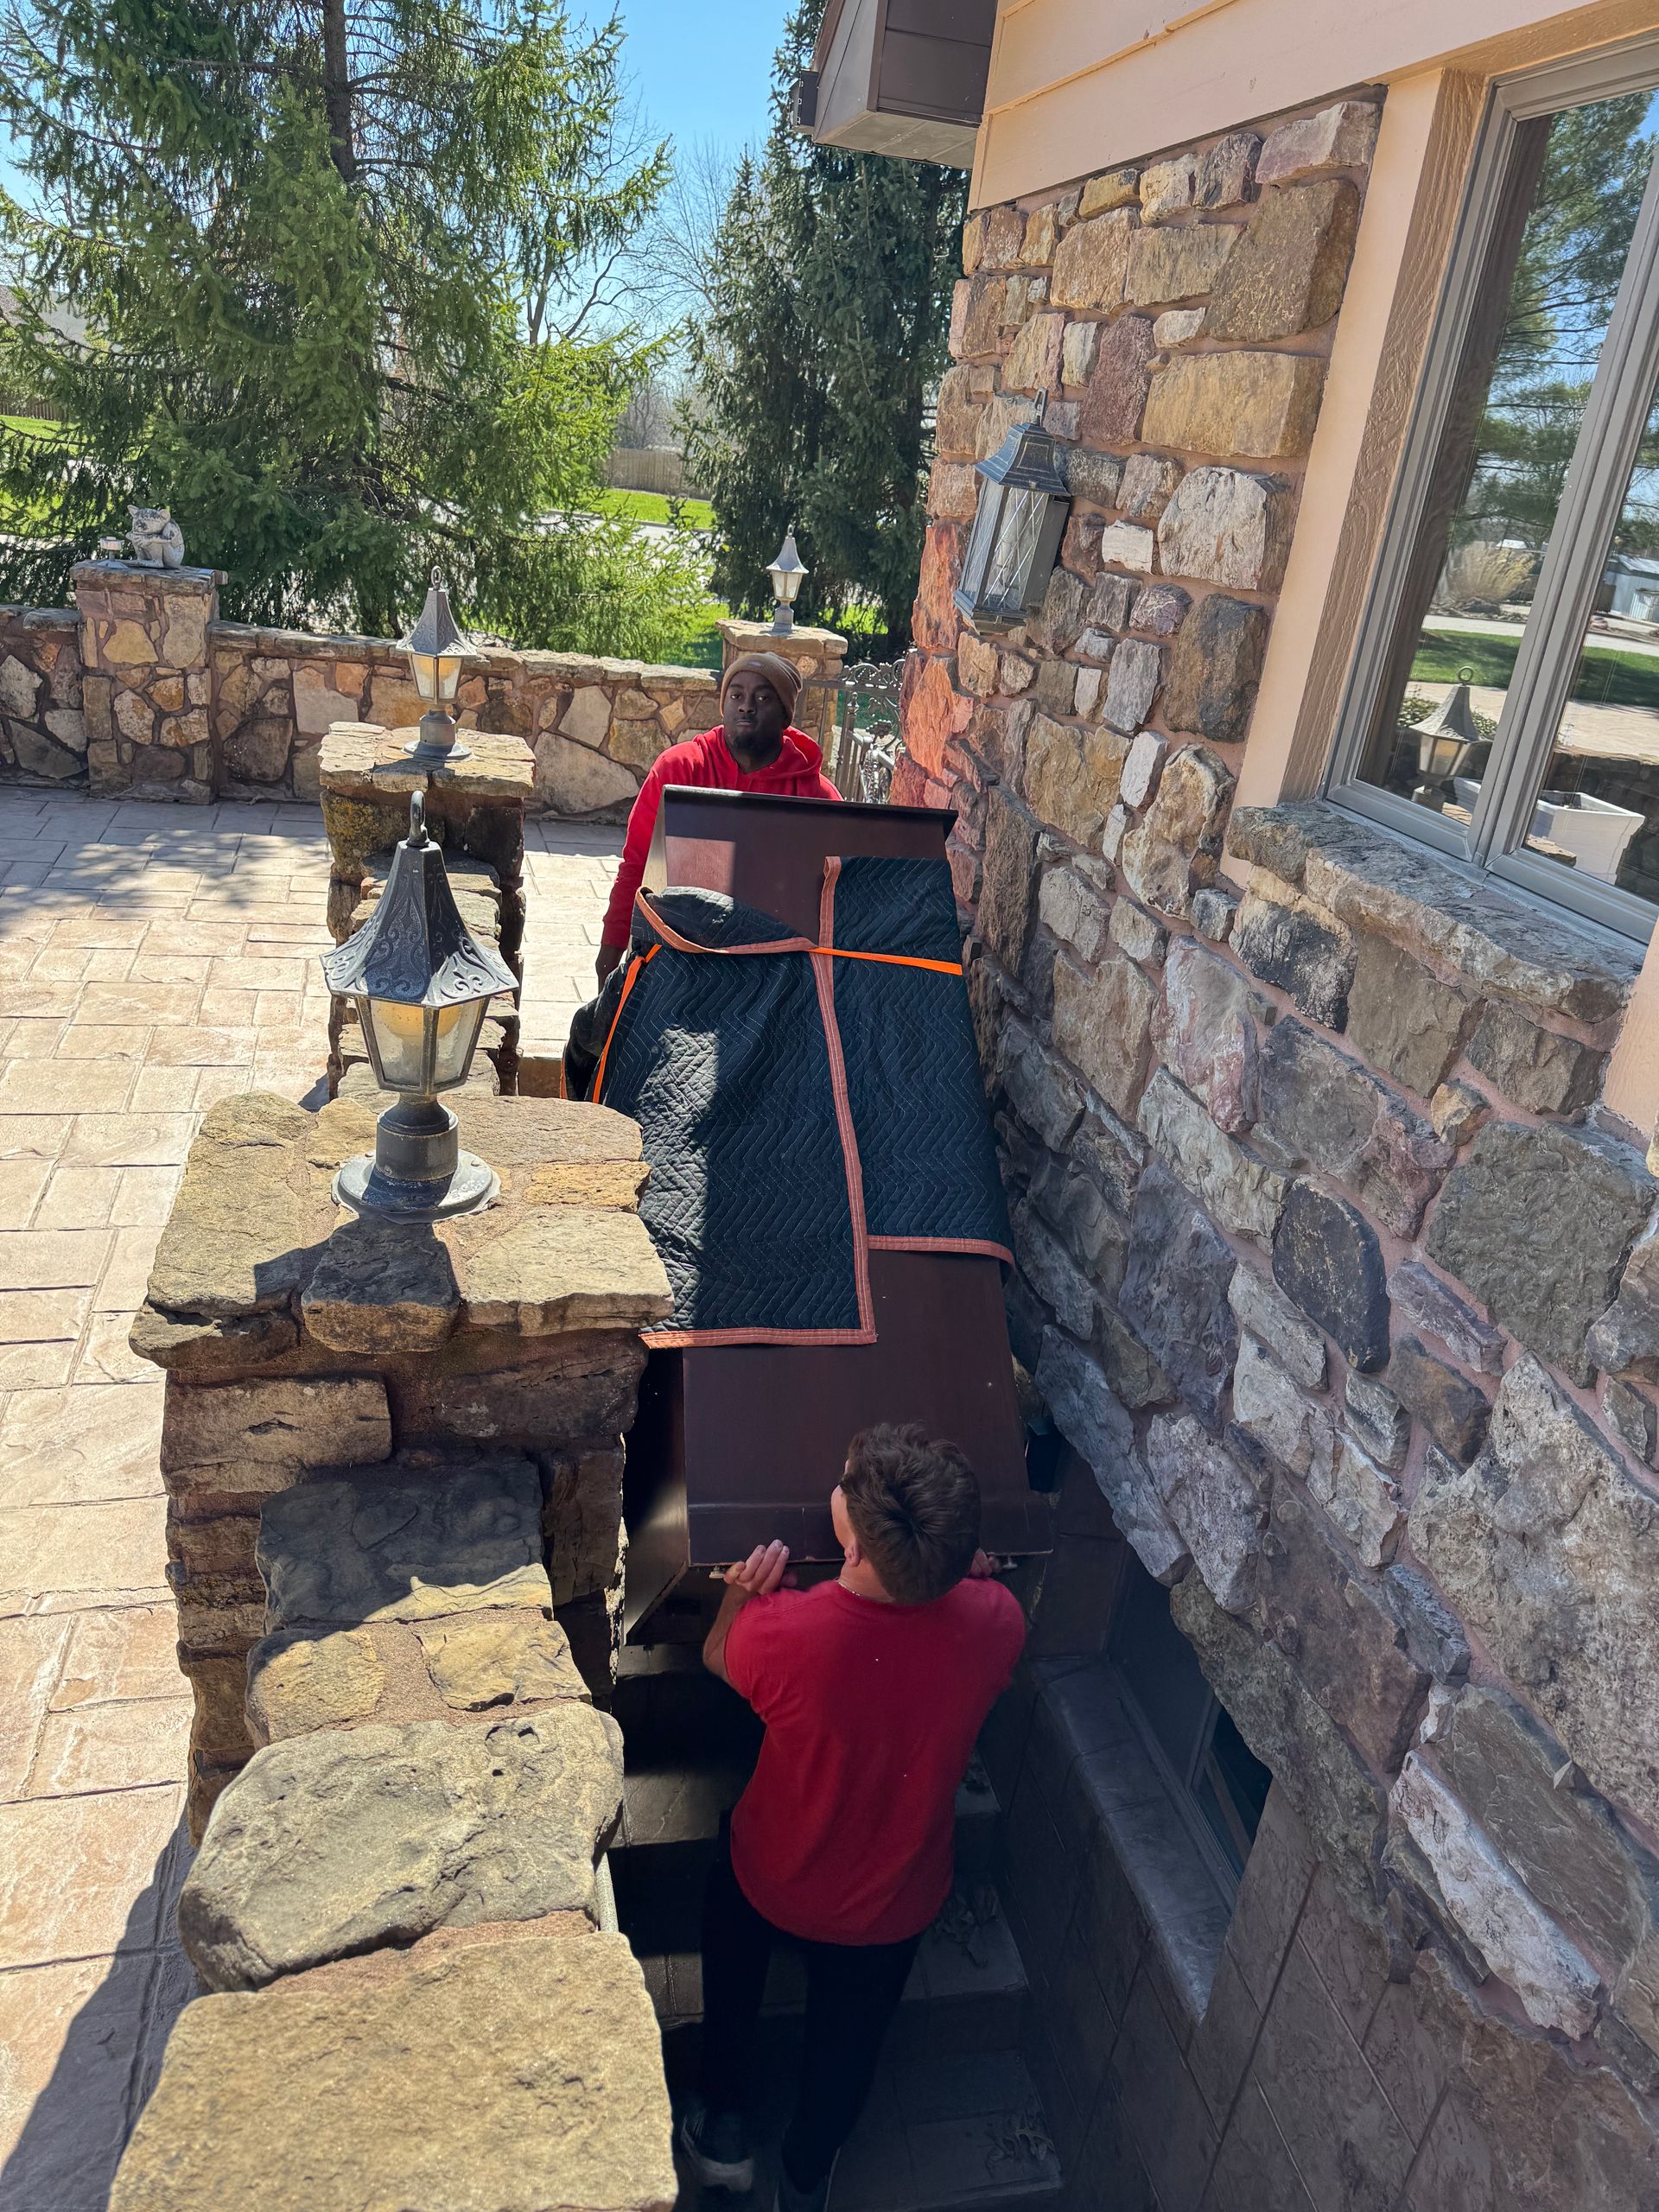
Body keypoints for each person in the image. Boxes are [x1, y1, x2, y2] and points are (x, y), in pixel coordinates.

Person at [679, 1424, 1027, 2212]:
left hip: (774, 1872)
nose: (836, 1483)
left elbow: (715, 1656)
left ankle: (723, 2130)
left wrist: (741, 1591)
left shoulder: (786, 1633)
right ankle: (806, 2177)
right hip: (893, 1900)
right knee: (848, 2048)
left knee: (731, 1971)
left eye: (843, 1483)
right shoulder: (998, 1622)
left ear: (859, 1549)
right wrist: (957, 1577)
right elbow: (981, 1609)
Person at [595, 652, 840, 986]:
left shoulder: (816, 795)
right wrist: (613, 943)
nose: (746, 706)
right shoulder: (678, 770)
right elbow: (636, 863)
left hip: (772, 964)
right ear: (723, 705)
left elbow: (836, 891)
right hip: (680, 948)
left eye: (763, 697)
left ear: (786, 715)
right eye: (736, 695)